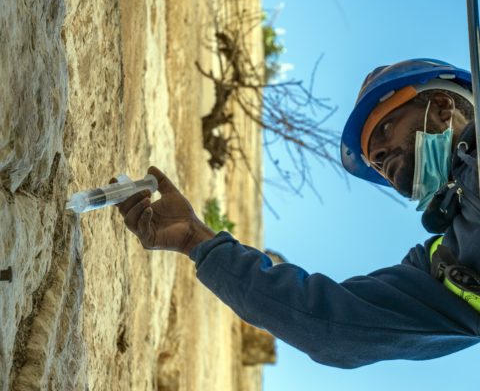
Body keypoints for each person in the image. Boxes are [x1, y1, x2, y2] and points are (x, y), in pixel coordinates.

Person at [110, 58, 480, 369]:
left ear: (444, 108)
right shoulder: (446, 270)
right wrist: (196, 240)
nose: (382, 157)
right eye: (376, 161)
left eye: (385, 128)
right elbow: (330, 325)